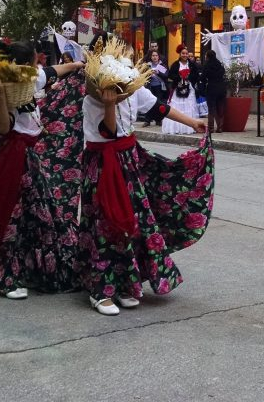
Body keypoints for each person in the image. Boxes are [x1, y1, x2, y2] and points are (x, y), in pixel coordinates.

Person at [36, 62, 212, 316]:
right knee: (105, 223)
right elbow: (108, 132)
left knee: (133, 222)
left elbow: (158, 107)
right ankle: (101, 290)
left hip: (129, 160)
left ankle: (124, 283)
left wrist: (192, 121)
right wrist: (110, 103)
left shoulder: (132, 90)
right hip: (102, 166)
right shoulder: (92, 99)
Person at [0, 42, 85, 299]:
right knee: (10, 215)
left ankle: (34, 268)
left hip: (33, 159)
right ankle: (6, 275)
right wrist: (0, 97)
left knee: (39, 216)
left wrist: (78, 65)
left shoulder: (31, 79)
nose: (36, 68)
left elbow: (55, 71)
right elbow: (3, 127)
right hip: (8, 159)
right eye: (32, 64)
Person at [163, 45, 200, 135]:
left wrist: (188, 78)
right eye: (183, 53)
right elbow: (170, 76)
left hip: (189, 88)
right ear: (180, 54)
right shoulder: (175, 65)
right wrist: (179, 78)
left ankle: (189, 127)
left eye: (186, 53)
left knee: (189, 106)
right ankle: (176, 127)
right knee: (177, 108)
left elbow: (196, 76)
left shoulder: (192, 65)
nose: (185, 55)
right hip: (177, 89)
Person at [201, 50, 227, 133]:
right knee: (220, 108)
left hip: (211, 88)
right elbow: (223, 74)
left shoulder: (207, 66)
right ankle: (220, 127)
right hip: (221, 88)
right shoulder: (220, 65)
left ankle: (211, 128)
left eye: (206, 56)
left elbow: (203, 78)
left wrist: (203, 86)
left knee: (211, 108)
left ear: (208, 57)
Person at [142, 50, 168, 127]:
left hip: (160, 87)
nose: (155, 57)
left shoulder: (161, 65)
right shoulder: (147, 65)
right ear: (151, 57)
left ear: (158, 56)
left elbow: (166, 76)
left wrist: (158, 73)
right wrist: (149, 74)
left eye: (156, 55)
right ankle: (147, 120)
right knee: (149, 103)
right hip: (150, 87)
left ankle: (158, 120)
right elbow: (143, 76)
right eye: (153, 55)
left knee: (158, 104)